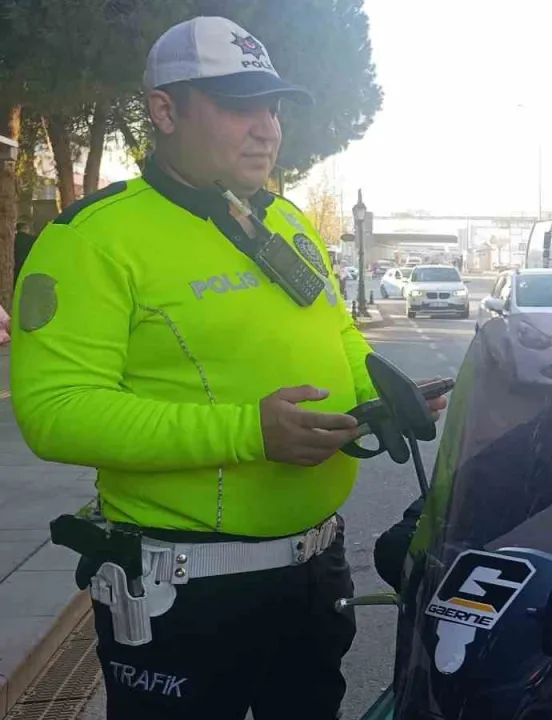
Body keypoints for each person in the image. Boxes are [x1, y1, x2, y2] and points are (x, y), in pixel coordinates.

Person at [9, 16, 443, 719]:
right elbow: (54, 411)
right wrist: (250, 433)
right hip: (184, 597)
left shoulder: (285, 221)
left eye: (273, 108)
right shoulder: (90, 239)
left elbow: (335, 329)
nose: (267, 129)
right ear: (164, 110)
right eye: (240, 106)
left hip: (315, 575)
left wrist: (378, 388)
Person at [12, 219, 35, 290]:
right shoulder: (32, 239)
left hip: (15, 265)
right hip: (27, 266)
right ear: (26, 229)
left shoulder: (13, 239)